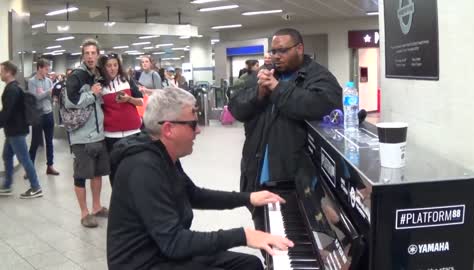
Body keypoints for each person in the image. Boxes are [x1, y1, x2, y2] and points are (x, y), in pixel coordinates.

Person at [107, 87, 294, 270]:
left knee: (250, 264)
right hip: (143, 262)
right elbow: (174, 242)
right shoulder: (143, 168)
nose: (198, 131)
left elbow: (193, 194)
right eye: (192, 124)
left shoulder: (162, 152)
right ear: (168, 129)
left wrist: (248, 198)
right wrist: (243, 236)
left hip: (162, 250)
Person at [228, 28, 342, 233]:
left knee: (294, 239)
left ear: (299, 48)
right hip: (256, 177)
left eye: (282, 51)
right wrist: (259, 93)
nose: (276, 56)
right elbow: (236, 107)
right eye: (273, 51)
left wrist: (277, 89)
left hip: (294, 183)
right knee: (265, 238)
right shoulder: (263, 74)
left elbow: (324, 106)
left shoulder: (319, 76)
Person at [65, 39, 110, 228]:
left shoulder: (97, 75)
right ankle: (84, 213)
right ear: (83, 56)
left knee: (98, 174)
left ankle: (97, 206)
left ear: (98, 55)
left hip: (99, 135)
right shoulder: (76, 76)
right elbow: (70, 102)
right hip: (82, 137)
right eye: (87, 53)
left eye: (94, 53)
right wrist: (91, 93)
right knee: (81, 175)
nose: (91, 56)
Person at [98, 52, 143, 186]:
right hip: (111, 135)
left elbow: (140, 101)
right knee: (115, 170)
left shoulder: (127, 80)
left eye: (115, 65)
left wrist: (129, 99)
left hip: (133, 132)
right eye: (109, 66)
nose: (112, 68)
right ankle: (119, 202)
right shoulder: (100, 86)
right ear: (103, 67)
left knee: (136, 169)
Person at [0, 61, 43, 198]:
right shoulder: (13, 87)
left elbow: (7, 112)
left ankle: (35, 187)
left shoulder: (12, 89)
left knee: (24, 159)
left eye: (1, 71)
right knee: (7, 155)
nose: (0, 73)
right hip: (14, 130)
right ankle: (7, 185)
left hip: (16, 131)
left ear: (8, 72)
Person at [27, 58, 60, 177]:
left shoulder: (49, 81)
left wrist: (54, 96)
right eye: (46, 69)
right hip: (38, 116)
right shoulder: (32, 82)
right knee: (35, 142)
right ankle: (29, 169)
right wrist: (47, 93)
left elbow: (49, 98)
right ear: (39, 68)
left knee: (49, 142)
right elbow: (34, 98)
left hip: (49, 114)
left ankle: (50, 166)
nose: (48, 71)